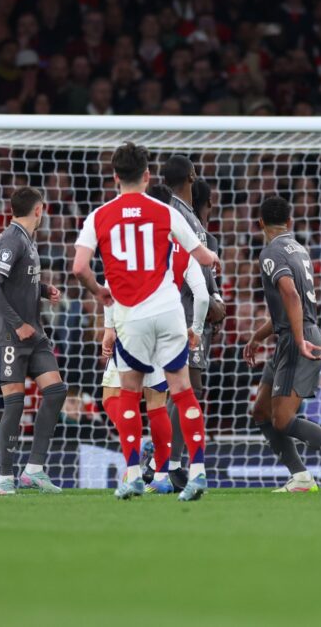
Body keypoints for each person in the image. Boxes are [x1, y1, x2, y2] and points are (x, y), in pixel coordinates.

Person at [71, 142, 219, 501]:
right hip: (168, 310)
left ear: (115, 177)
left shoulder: (99, 216)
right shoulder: (166, 212)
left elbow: (79, 268)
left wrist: (99, 291)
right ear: (148, 175)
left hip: (131, 315)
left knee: (129, 393)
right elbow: (203, 257)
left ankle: (135, 474)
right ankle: (198, 471)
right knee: (182, 390)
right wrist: (210, 255)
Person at [243, 195, 321, 493]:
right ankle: (300, 476)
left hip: (297, 339)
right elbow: (287, 307)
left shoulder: (271, 252)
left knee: (283, 419)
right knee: (261, 411)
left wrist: (298, 339)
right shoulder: (300, 250)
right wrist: (258, 336)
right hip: (291, 336)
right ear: (289, 221)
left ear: (260, 223)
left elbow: (291, 295)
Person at [99, 184, 211, 495]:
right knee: (160, 403)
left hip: (133, 324)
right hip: (169, 325)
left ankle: (134, 465)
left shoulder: (132, 237)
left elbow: (110, 282)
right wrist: (196, 329)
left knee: (114, 396)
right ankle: (163, 475)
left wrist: (109, 327)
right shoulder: (181, 243)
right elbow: (202, 296)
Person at [0, 187, 68, 495]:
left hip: (33, 333)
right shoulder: (11, 239)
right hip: (8, 334)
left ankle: (33, 470)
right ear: (38, 210)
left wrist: (43, 290)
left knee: (56, 391)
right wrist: (17, 324)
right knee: (15, 403)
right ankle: (6, 477)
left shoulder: (27, 240)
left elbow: (17, 281)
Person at [160, 155, 225, 489]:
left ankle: (163, 462)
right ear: (192, 175)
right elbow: (181, 264)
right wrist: (209, 301)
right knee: (186, 387)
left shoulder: (188, 216)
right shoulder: (175, 214)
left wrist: (215, 298)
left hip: (193, 309)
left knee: (182, 389)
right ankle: (169, 463)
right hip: (182, 313)